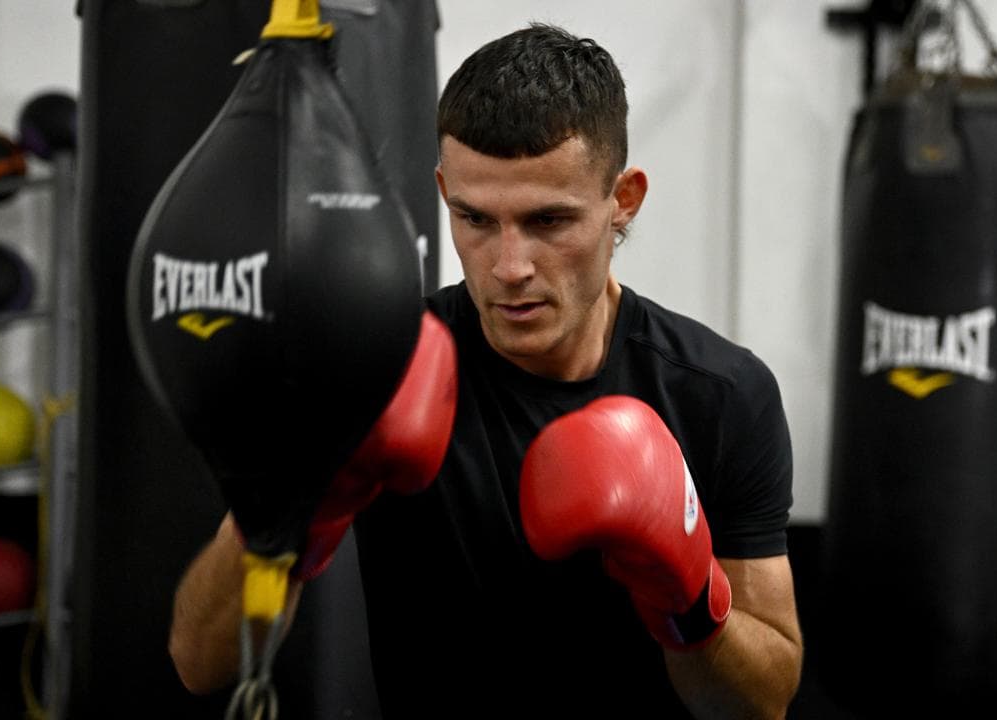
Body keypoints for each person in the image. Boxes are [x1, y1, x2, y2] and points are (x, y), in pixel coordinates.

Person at [169, 23, 802, 719]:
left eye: (548, 221)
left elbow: (763, 703)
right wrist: (294, 514)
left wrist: (689, 600)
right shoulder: (381, 367)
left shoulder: (722, 394)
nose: (508, 267)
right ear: (444, 192)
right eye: (474, 218)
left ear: (623, 200)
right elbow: (199, 662)